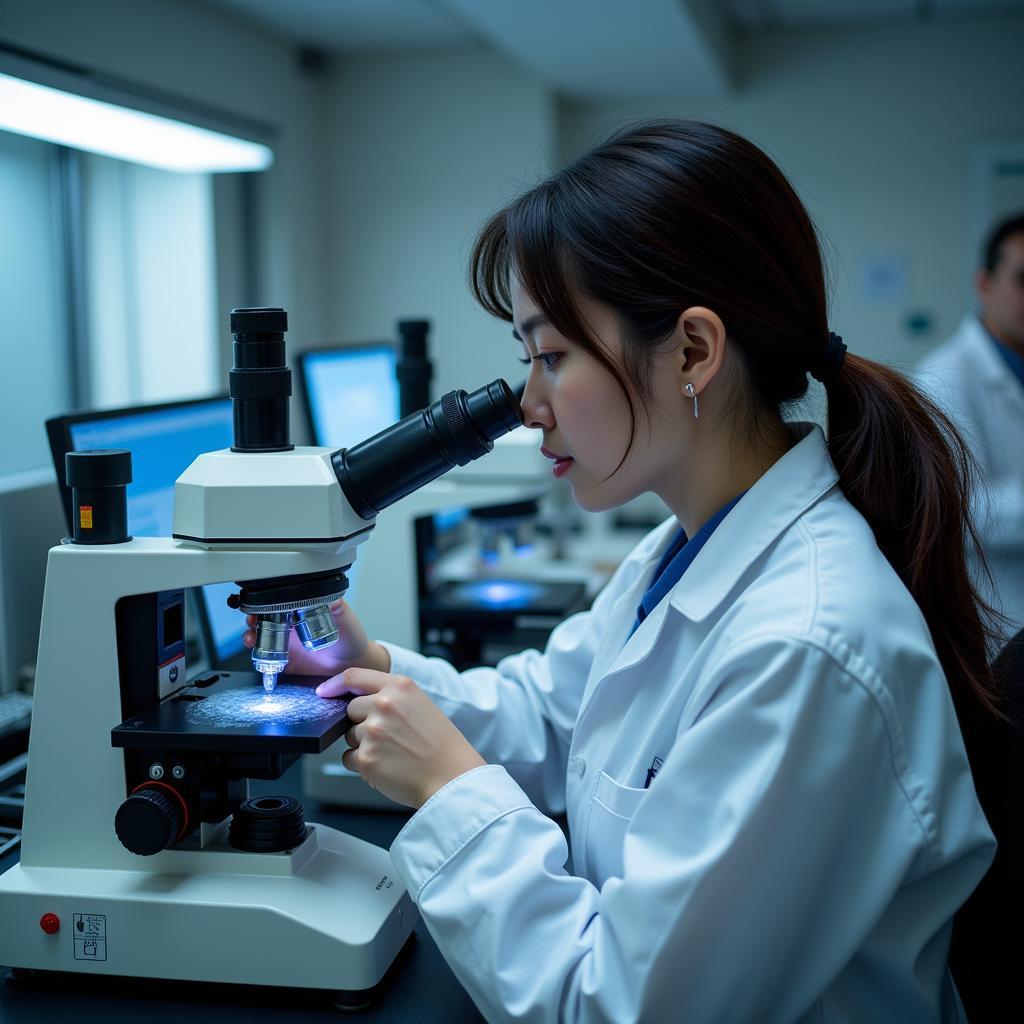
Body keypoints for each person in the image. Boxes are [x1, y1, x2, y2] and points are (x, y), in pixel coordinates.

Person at [248, 121, 1000, 1022]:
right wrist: (381, 674)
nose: (528, 406)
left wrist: (447, 789)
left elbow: (621, 1007)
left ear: (692, 352)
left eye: (551, 356)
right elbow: (563, 715)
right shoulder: (690, 546)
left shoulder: (805, 647)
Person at [915, 213, 1024, 640]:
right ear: (984, 284)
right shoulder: (943, 377)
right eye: (1022, 280)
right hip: (999, 618)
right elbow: (961, 510)